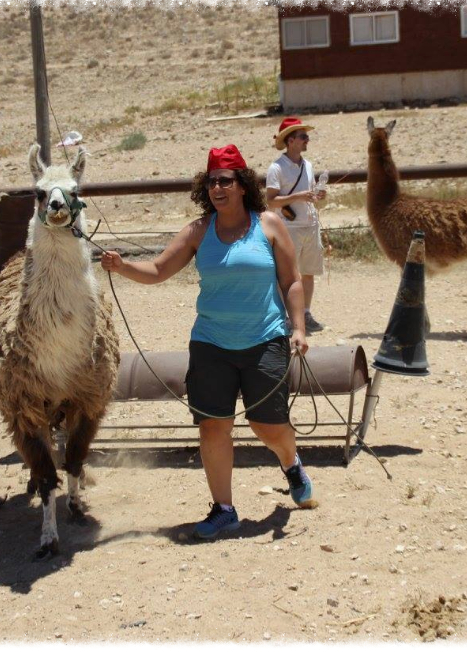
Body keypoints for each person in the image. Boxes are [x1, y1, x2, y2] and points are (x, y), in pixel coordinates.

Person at [100, 144, 315, 540]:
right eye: (212, 181)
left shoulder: (268, 224)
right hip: (211, 344)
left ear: (241, 185)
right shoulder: (198, 231)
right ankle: (224, 509)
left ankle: (290, 462)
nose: (218, 187)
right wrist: (122, 265)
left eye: (225, 180)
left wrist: (298, 328)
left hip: (265, 339)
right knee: (213, 427)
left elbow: (293, 281)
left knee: (267, 426)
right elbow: (159, 270)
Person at [266, 117, 327, 334]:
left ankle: (306, 313)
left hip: (309, 225)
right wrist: (299, 196)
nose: (306, 140)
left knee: (308, 272)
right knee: (287, 274)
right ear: (291, 140)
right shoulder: (277, 168)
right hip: (288, 228)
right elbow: (271, 201)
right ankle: (286, 318)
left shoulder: (308, 165)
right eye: (303, 136)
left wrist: (318, 195)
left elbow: (309, 193)